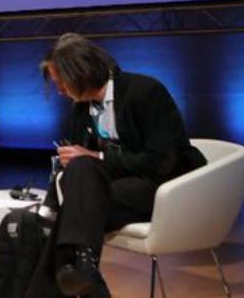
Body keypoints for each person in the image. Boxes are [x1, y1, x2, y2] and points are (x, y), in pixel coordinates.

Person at [37, 33, 204, 297]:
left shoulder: (146, 91)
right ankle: (84, 269)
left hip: (164, 186)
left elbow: (161, 161)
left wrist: (97, 158)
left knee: (77, 205)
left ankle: (82, 276)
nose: (59, 91)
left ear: (80, 72)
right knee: (81, 178)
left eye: (62, 82)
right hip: (116, 189)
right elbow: (84, 167)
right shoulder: (81, 109)